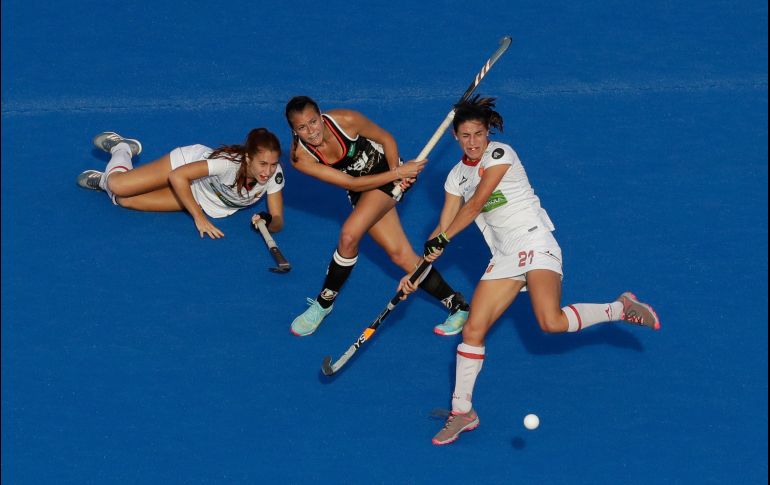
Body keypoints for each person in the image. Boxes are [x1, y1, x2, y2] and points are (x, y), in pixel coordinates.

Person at [397, 95, 661, 446]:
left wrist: (444, 236)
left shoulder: (499, 154)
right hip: (504, 255)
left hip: (535, 243)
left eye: (478, 133)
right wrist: (416, 272)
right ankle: (462, 412)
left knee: (550, 322)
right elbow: (441, 229)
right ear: (455, 137)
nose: (473, 141)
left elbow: (476, 204)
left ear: (487, 132)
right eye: (465, 135)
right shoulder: (455, 177)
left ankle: (619, 308)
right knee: (473, 329)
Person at [284, 95, 470, 337]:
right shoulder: (301, 157)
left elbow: (386, 139)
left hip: (386, 170)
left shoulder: (346, 120)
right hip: (362, 188)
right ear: (294, 131)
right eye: (302, 128)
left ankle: (324, 303)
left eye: (313, 122)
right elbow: (352, 182)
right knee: (399, 254)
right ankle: (457, 305)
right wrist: (398, 175)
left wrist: (396, 171)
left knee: (349, 235)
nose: (311, 131)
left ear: (321, 116)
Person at [76, 128, 285, 237]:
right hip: (184, 166)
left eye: (273, 164)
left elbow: (277, 220)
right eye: (263, 163)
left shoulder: (274, 176)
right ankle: (121, 148)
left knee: (123, 200)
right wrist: (198, 217)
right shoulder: (226, 165)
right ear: (248, 158)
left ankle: (104, 179)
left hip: (199, 196)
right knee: (118, 187)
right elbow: (177, 176)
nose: (268, 171)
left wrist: (268, 222)